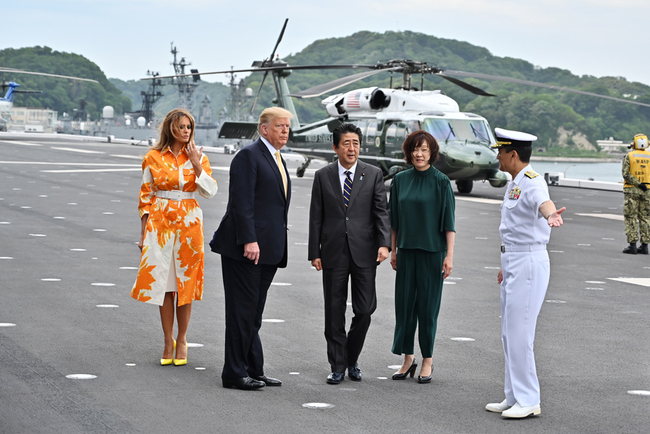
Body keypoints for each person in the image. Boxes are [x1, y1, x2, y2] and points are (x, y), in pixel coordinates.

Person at [210, 107, 293, 390]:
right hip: (245, 248)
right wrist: (249, 239)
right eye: (279, 126)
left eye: (287, 126)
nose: (285, 130)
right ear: (264, 129)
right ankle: (233, 373)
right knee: (241, 312)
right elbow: (240, 202)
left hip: (268, 249)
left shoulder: (276, 158)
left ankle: (253, 369)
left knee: (253, 313)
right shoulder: (248, 156)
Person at [485, 128, 565, 419]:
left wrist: (551, 215)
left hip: (529, 263)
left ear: (513, 154)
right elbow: (515, 229)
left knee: (520, 334)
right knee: (509, 334)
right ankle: (514, 395)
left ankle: (529, 399)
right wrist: (505, 265)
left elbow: (544, 204)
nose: (497, 156)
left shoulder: (532, 182)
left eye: (501, 151)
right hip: (514, 262)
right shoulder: (515, 181)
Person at [131, 108, 217, 366]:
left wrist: (196, 163)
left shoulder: (199, 157)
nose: (186, 131)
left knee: (185, 286)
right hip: (160, 224)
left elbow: (210, 191)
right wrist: (143, 234)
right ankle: (167, 340)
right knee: (165, 287)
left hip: (190, 225)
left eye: (189, 127)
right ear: (171, 128)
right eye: (181, 127)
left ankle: (182, 339)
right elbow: (145, 198)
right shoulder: (152, 157)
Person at [308, 123, 391, 385]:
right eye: (346, 143)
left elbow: (381, 211)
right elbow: (316, 216)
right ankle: (337, 365)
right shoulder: (323, 175)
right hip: (332, 251)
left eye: (355, 143)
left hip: (365, 251)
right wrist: (314, 252)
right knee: (333, 311)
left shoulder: (373, 173)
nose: (352, 148)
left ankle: (351, 357)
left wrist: (384, 243)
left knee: (365, 310)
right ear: (336, 147)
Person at [389, 130, 455, 384]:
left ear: (432, 153)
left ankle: (427, 358)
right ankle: (408, 358)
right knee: (404, 307)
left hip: (432, 253)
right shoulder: (400, 181)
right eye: (415, 149)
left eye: (424, 149)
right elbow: (394, 221)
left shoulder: (441, 182)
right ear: (409, 151)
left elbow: (449, 223)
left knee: (427, 308)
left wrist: (449, 256)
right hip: (406, 251)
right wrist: (394, 250)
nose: (419, 153)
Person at [622, 134, 650, 254]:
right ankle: (644, 246)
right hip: (647, 191)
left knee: (631, 217)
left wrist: (638, 184)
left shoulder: (629, 156)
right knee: (645, 217)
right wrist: (644, 185)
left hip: (632, 190)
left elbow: (626, 174)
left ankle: (632, 245)